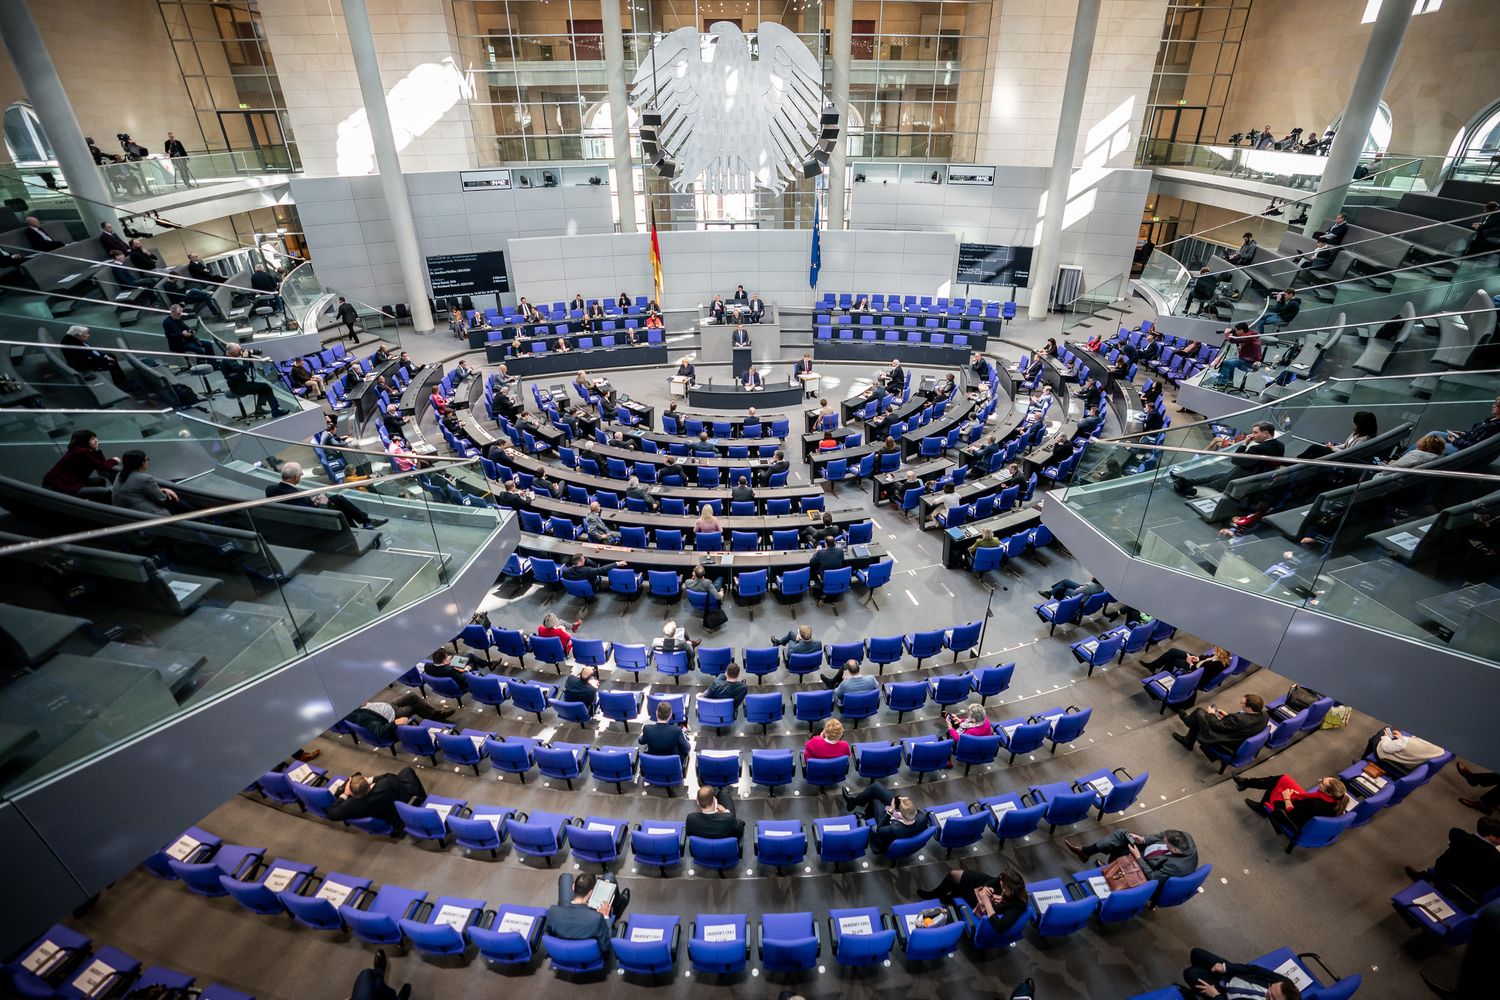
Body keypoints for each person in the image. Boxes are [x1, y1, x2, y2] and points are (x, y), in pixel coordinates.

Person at [1405, 818, 1500, 903]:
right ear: (1491, 836)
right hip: (1466, 887)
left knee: (1452, 853)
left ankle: (1425, 876)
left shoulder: (1459, 835)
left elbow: (1456, 834)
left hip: (1443, 871)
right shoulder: (1495, 857)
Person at [266, 461, 385, 529]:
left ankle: (366, 521)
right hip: (307, 521)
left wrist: (312, 500)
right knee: (337, 504)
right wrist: (322, 503)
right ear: (296, 477)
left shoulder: (270, 489)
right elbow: (315, 514)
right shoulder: (296, 495)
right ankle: (361, 525)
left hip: (295, 513)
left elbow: (297, 503)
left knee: (336, 499)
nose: (301, 475)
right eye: (301, 474)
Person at [920, 867, 1029, 937]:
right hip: (984, 887)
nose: (1002, 888)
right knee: (953, 875)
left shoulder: (1018, 906)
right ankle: (941, 895)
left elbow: (1000, 927)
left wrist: (987, 902)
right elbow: (993, 881)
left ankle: (949, 897)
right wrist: (986, 887)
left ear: (1011, 890)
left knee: (961, 887)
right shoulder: (1005, 880)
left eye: (1004, 888)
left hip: (986, 904)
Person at [544, 872, 628, 958]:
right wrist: (606, 917)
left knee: (565, 877)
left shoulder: (553, 912)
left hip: (561, 954)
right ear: (591, 893)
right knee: (609, 876)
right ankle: (617, 908)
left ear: (573, 887)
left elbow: (547, 934)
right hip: (589, 957)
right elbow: (606, 947)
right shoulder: (597, 918)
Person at [1064, 828, 1199, 881]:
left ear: (1174, 850)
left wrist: (1138, 857)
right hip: (1146, 851)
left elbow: (1153, 877)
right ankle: (1086, 852)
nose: (1163, 840)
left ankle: (1111, 870)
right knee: (1122, 834)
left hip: (1146, 867)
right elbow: (1159, 836)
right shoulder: (1183, 836)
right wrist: (1143, 840)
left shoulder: (1176, 866)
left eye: (1166, 843)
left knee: (1118, 847)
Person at [324, 767, 427, 831]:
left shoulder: (350, 805)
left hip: (386, 817)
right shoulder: (385, 785)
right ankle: (422, 800)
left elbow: (331, 814)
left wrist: (345, 794)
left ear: (352, 792)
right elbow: (391, 776)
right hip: (398, 807)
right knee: (407, 771)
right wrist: (370, 779)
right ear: (368, 785)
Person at [1237, 772, 1350, 830]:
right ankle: (1246, 783)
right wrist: (1298, 795)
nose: (1319, 780)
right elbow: (1308, 801)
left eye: (1322, 783)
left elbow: (1293, 814)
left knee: (1275, 785)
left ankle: (1260, 806)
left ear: (1328, 792)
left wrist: (1287, 797)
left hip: (1290, 816)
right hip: (1303, 807)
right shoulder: (1335, 799)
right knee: (1283, 779)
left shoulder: (1315, 804)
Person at [841, 782, 932, 853]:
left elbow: (880, 830)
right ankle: (854, 802)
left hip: (888, 825)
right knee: (875, 787)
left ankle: (866, 815)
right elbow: (913, 811)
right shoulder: (923, 818)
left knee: (875, 799)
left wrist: (891, 811)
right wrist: (904, 803)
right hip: (903, 816)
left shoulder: (893, 830)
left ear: (900, 812)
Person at [1180, 947, 1300, 1000]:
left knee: (1190, 973)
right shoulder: (1284, 983)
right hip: (1232, 976)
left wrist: (1215, 995)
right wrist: (1226, 968)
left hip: (1222, 994)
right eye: (1270, 987)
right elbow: (1254, 970)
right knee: (1196, 953)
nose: (1267, 993)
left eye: (1271, 997)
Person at [1172, 692, 1268, 753]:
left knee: (1199, 712)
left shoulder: (1238, 719)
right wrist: (1227, 717)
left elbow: (1216, 726)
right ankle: (1188, 741)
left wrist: (1211, 714)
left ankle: (1187, 721)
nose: (1240, 704)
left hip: (1223, 739)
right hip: (1237, 737)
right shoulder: (1265, 716)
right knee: (1202, 718)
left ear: (1249, 708)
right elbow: (1239, 725)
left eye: (1242, 704)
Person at [43, 429, 118, 496]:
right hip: (61, 487)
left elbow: (101, 463)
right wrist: (114, 460)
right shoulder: (81, 452)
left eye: (95, 438)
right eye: (92, 439)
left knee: (100, 481)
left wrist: (96, 450)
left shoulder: (76, 450)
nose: (96, 440)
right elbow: (101, 466)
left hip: (66, 483)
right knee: (106, 491)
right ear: (84, 441)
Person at [57, 325, 133, 391]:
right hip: (86, 365)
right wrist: (105, 359)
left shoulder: (77, 339)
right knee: (112, 363)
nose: (88, 335)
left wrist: (105, 356)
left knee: (111, 356)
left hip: (91, 358)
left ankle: (123, 380)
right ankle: (122, 385)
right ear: (78, 335)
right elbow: (86, 359)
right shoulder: (74, 346)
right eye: (86, 334)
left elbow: (93, 351)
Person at [112, 450, 182, 515]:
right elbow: (162, 500)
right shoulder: (145, 478)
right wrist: (172, 496)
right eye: (147, 459)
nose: (148, 461)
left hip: (127, 515)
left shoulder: (120, 475)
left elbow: (134, 491)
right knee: (178, 501)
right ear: (142, 463)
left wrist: (163, 490)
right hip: (149, 515)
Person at [1365, 727, 1447, 769]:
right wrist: (1401, 738)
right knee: (1390, 732)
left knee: (1385, 730)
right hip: (1411, 761)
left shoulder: (1405, 742)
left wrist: (1386, 737)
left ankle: (1365, 759)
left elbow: (1385, 747)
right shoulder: (1441, 749)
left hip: (1389, 757)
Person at [159, 274, 225, 320]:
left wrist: (186, 291)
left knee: (206, 297)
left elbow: (179, 291)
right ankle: (206, 293)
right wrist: (185, 291)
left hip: (184, 296)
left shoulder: (172, 282)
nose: (178, 280)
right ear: (173, 278)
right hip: (180, 299)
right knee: (193, 290)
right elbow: (176, 294)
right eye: (177, 278)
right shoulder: (167, 285)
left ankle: (215, 313)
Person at [1382, 433, 1446, 471]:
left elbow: (1388, 471)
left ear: (1423, 444)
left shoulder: (1417, 455)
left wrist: (1388, 465)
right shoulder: (1438, 459)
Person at [811, 538, 845, 604]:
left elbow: (811, 562)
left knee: (814, 569)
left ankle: (817, 586)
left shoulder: (820, 552)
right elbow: (842, 561)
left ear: (825, 544)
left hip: (825, 577)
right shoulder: (840, 550)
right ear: (834, 543)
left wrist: (816, 552)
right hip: (838, 576)